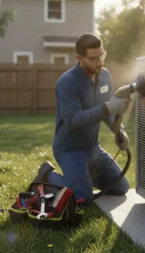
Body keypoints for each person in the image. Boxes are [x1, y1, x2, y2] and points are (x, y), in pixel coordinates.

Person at [32, 33, 131, 205]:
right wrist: (107, 108)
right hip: (70, 150)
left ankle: (81, 177)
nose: (100, 61)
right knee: (82, 198)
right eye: (93, 58)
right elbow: (73, 121)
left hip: (93, 148)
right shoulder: (67, 83)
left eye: (102, 55)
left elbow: (109, 111)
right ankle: (48, 174)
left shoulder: (105, 76)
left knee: (121, 186)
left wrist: (119, 130)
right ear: (79, 58)